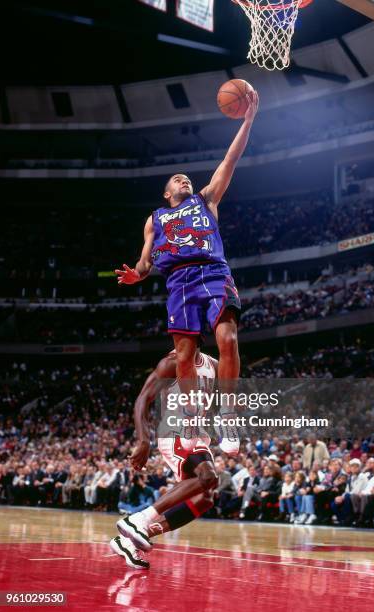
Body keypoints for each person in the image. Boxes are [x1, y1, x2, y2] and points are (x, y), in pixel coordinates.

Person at [114, 90, 259, 455]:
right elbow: (146, 262)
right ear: (167, 193)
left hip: (211, 272)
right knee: (183, 356)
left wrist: (247, 121)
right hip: (178, 282)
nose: (184, 181)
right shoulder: (155, 219)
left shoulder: (206, 200)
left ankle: (226, 415)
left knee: (228, 339)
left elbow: (230, 158)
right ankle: (193, 419)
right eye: (177, 180)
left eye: (185, 179)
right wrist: (138, 274)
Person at [111, 347, 221, 570]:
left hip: (197, 434)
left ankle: (130, 539)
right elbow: (143, 399)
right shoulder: (170, 363)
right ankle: (139, 519)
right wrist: (143, 440)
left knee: (205, 498)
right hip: (174, 433)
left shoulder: (214, 365)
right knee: (208, 476)